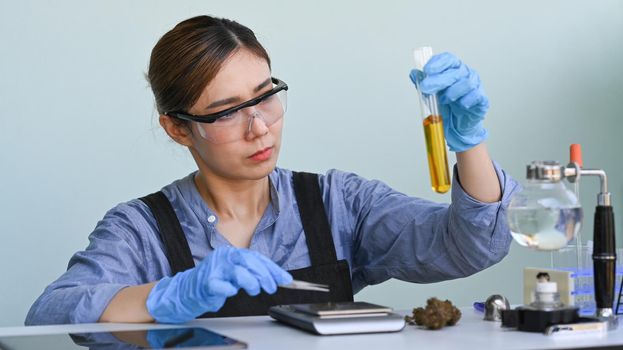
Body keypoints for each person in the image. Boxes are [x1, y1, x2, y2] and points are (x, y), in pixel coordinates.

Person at [25, 15, 519, 325]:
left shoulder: (338, 204)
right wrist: (166, 296)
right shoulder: (140, 229)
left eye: (265, 96)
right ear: (178, 129)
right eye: (226, 110)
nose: (259, 127)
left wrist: (469, 143)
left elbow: (470, 246)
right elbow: (50, 314)